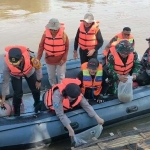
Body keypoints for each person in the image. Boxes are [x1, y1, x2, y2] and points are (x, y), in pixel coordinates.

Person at [0, 46, 42, 116]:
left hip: (29, 71)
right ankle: (17, 111)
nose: (14, 65)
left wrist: (38, 80)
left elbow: (38, 67)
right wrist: (3, 97)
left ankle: (37, 103)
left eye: (16, 64)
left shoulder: (30, 57)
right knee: (18, 93)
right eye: (13, 64)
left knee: (36, 88)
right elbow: (6, 80)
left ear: (21, 58)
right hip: (15, 75)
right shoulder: (7, 63)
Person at [37, 18, 69, 86]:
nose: (53, 31)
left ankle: (61, 89)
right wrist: (38, 58)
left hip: (60, 60)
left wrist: (64, 59)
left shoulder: (64, 35)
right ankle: (53, 88)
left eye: (55, 29)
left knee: (61, 76)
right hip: (49, 60)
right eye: (51, 29)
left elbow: (67, 47)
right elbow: (41, 46)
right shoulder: (45, 34)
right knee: (51, 77)